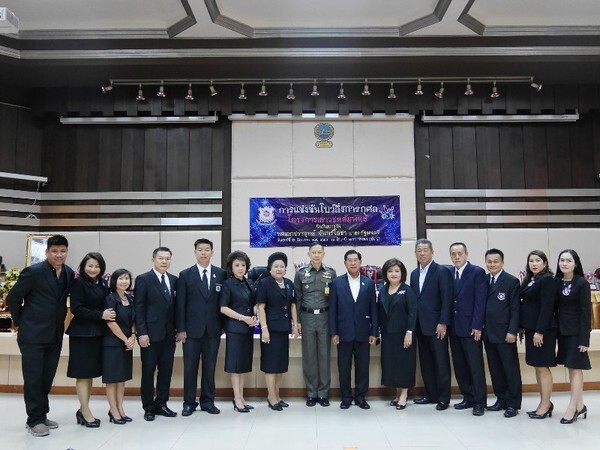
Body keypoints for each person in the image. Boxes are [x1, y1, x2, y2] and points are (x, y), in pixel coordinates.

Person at [6, 234, 75, 437]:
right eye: (54, 251)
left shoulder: (69, 273)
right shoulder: (33, 272)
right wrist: (20, 323)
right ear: (46, 253)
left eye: (62, 251)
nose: (59, 255)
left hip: (54, 334)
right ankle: (33, 420)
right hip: (32, 335)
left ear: (66, 252)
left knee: (46, 378)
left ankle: (42, 414)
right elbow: (13, 298)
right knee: (34, 378)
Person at [176, 238, 226, 416]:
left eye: (207, 249)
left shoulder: (221, 274)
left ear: (212, 252)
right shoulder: (185, 274)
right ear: (195, 252)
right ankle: (189, 402)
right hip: (191, 331)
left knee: (210, 367)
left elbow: (224, 302)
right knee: (190, 367)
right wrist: (181, 329)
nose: (203, 252)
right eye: (200, 249)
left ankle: (207, 401)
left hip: (213, 330)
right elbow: (180, 304)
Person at [66, 252, 114, 427]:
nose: (93, 269)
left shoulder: (102, 283)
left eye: (97, 266)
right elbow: (77, 309)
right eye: (90, 266)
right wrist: (101, 315)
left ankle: (83, 409)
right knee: (83, 375)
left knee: (90, 374)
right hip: (82, 334)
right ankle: (85, 412)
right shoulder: (78, 283)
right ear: (83, 267)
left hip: (97, 334)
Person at [329, 249, 378, 409]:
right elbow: (333, 310)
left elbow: (373, 309)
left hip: (364, 332)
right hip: (343, 332)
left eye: (355, 260)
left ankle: (361, 397)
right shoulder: (337, 283)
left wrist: (374, 332)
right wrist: (334, 332)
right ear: (345, 263)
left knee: (363, 366)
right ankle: (346, 397)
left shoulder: (369, 283)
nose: (353, 263)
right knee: (343, 367)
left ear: (360, 262)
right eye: (349, 260)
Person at [133, 247, 178, 422]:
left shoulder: (174, 280)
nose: (164, 261)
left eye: (167, 258)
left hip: (168, 335)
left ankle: (162, 404)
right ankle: (148, 407)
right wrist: (141, 333)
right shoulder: (144, 279)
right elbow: (139, 308)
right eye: (161, 258)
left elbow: (176, 308)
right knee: (148, 372)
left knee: (166, 371)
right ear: (153, 259)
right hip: (150, 336)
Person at [409, 239, 453, 411]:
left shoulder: (441, 271)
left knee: (441, 363)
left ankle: (444, 398)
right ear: (415, 253)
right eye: (419, 250)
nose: (422, 253)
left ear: (432, 252)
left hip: (437, 326)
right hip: (420, 326)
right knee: (426, 362)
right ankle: (430, 394)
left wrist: (443, 322)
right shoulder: (413, 273)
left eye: (425, 250)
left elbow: (447, 299)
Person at [294, 242, 336, 407]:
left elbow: (334, 300)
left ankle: (323, 393)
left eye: (320, 252)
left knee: (324, 356)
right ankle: (312, 393)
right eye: (314, 252)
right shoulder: (301, 273)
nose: (317, 255)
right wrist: (296, 321)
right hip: (307, 317)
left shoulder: (331, 273)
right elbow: (297, 298)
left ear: (323, 254)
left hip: (325, 317)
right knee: (309, 356)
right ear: (309, 254)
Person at [256, 252, 299, 411]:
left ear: (285, 269)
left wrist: (295, 324)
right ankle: (271, 396)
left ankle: (278, 395)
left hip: (283, 329)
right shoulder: (264, 283)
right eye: (276, 266)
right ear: (270, 268)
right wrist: (264, 329)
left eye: (282, 266)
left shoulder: (288, 283)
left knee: (281, 365)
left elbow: (293, 305)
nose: (279, 269)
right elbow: (261, 307)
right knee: (270, 365)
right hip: (270, 330)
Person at [448, 242, 488, 416]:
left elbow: (480, 302)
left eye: (459, 253)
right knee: (460, 364)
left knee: (475, 365)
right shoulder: (449, 273)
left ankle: (479, 401)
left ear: (466, 254)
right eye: (453, 254)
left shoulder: (477, 272)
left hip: (472, 328)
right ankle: (468, 397)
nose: (457, 257)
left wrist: (477, 325)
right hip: (454, 328)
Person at [482, 249, 522, 418]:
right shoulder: (483, 279)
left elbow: (515, 309)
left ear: (502, 263)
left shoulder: (511, 281)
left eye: (495, 261)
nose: (492, 264)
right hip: (488, 333)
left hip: (505, 333)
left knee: (509, 368)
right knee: (495, 368)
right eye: (489, 261)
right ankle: (501, 399)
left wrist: (512, 330)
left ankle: (513, 403)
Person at [555, 249, 591, 424]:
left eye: (568, 260)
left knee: (576, 368)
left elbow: (586, 312)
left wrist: (585, 338)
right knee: (570, 367)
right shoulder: (557, 282)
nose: (564, 263)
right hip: (562, 332)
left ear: (575, 264)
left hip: (577, 333)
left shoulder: (581, 283)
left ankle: (572, 408)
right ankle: (580, 404)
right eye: (562, 260)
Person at [519, 250, 557, 419]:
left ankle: (546, 404)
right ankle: (544, 402)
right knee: (537, 366)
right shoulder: (531, 279)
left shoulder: (547, 280)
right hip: (531, 330)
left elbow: (547, 308)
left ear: (545, 263)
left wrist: (539, 331)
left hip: (542, 331)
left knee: (543, 367)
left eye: (537, 260)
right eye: (531, 261)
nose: (534, 263)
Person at [219, 251, 256, 413]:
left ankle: (241, 397)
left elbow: (254, 303)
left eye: (243, 265)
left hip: (248, 329)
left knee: (242, 365)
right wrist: (243, 318)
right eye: (237, 265)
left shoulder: (249, 283)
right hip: (234, 329)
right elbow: (223, 308)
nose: (240, 268)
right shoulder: (228, 284)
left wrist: (254, 315)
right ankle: (237, 398)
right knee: (235, 366)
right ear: (231, 267)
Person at [378, 258, 417, 410]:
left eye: (396, 271)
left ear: (402, 273)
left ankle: (404, 395)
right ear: (385, 273)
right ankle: (397, 393)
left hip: (403, 334)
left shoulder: (407, 290)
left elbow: (413, 312)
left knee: (404, 364)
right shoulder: (383, 290)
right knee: (392, 364)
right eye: (390, 271)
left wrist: (410, 332)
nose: (393, 274)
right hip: (388, 334)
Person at [103, 268, 136, 425]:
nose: (124, 281)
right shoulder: (110, 298)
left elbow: (133, 320)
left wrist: (133, 336)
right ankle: (113, 410)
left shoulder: (130, 299)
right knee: (112, 379)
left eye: (127, 278)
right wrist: (125, 339)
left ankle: (120, 408)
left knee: (122, 379)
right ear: (114, 281)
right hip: (112, 344)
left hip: (126, 343)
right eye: (121, 278)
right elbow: (111, 323)